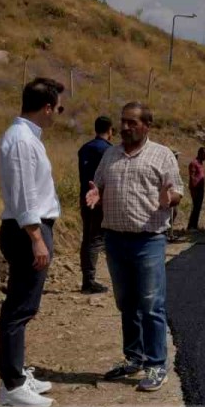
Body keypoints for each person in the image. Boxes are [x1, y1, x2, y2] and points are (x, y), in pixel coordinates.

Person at [85, 102, 183, 392]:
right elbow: (99, 184)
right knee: (126, 304)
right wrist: (96, 193)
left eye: (132, 123)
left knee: (151, 305)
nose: (126, 127)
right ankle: (134, 358)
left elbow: (177, 190)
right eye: (123, 122)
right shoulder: (110, 154)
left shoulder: (162, 155)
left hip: (148, 240)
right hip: (115, 240)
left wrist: (169, 199)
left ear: (146, 125)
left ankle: (156, 365)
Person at [0, 77, 64, 407]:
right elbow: (24, 194)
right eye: (59, 109)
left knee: (23, 306)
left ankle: (17, 375)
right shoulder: (22, 140)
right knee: (20, 308)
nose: (59, 115)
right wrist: (36, 238)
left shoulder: (26, 137)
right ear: (47, 108)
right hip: (27, 231)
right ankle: (12, 386)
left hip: (29, 229)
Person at [77, 115, 115, 295]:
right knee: (97, 239)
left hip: (84, 197)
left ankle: (87, 278)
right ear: (110, 130)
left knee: (87, 238)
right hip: (100, 200)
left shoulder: (84, 148)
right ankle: (89, 281)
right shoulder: (108, 150)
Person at [186, 147, 205, 231]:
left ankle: (194, 225)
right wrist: (193, 189)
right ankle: (191, 226)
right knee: (196, 207)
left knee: (198, 207)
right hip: (195, 189)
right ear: (200, 154)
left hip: (200, 188)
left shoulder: (201, 163)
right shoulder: (194, 163)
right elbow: (192, 177)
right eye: (204, 155)